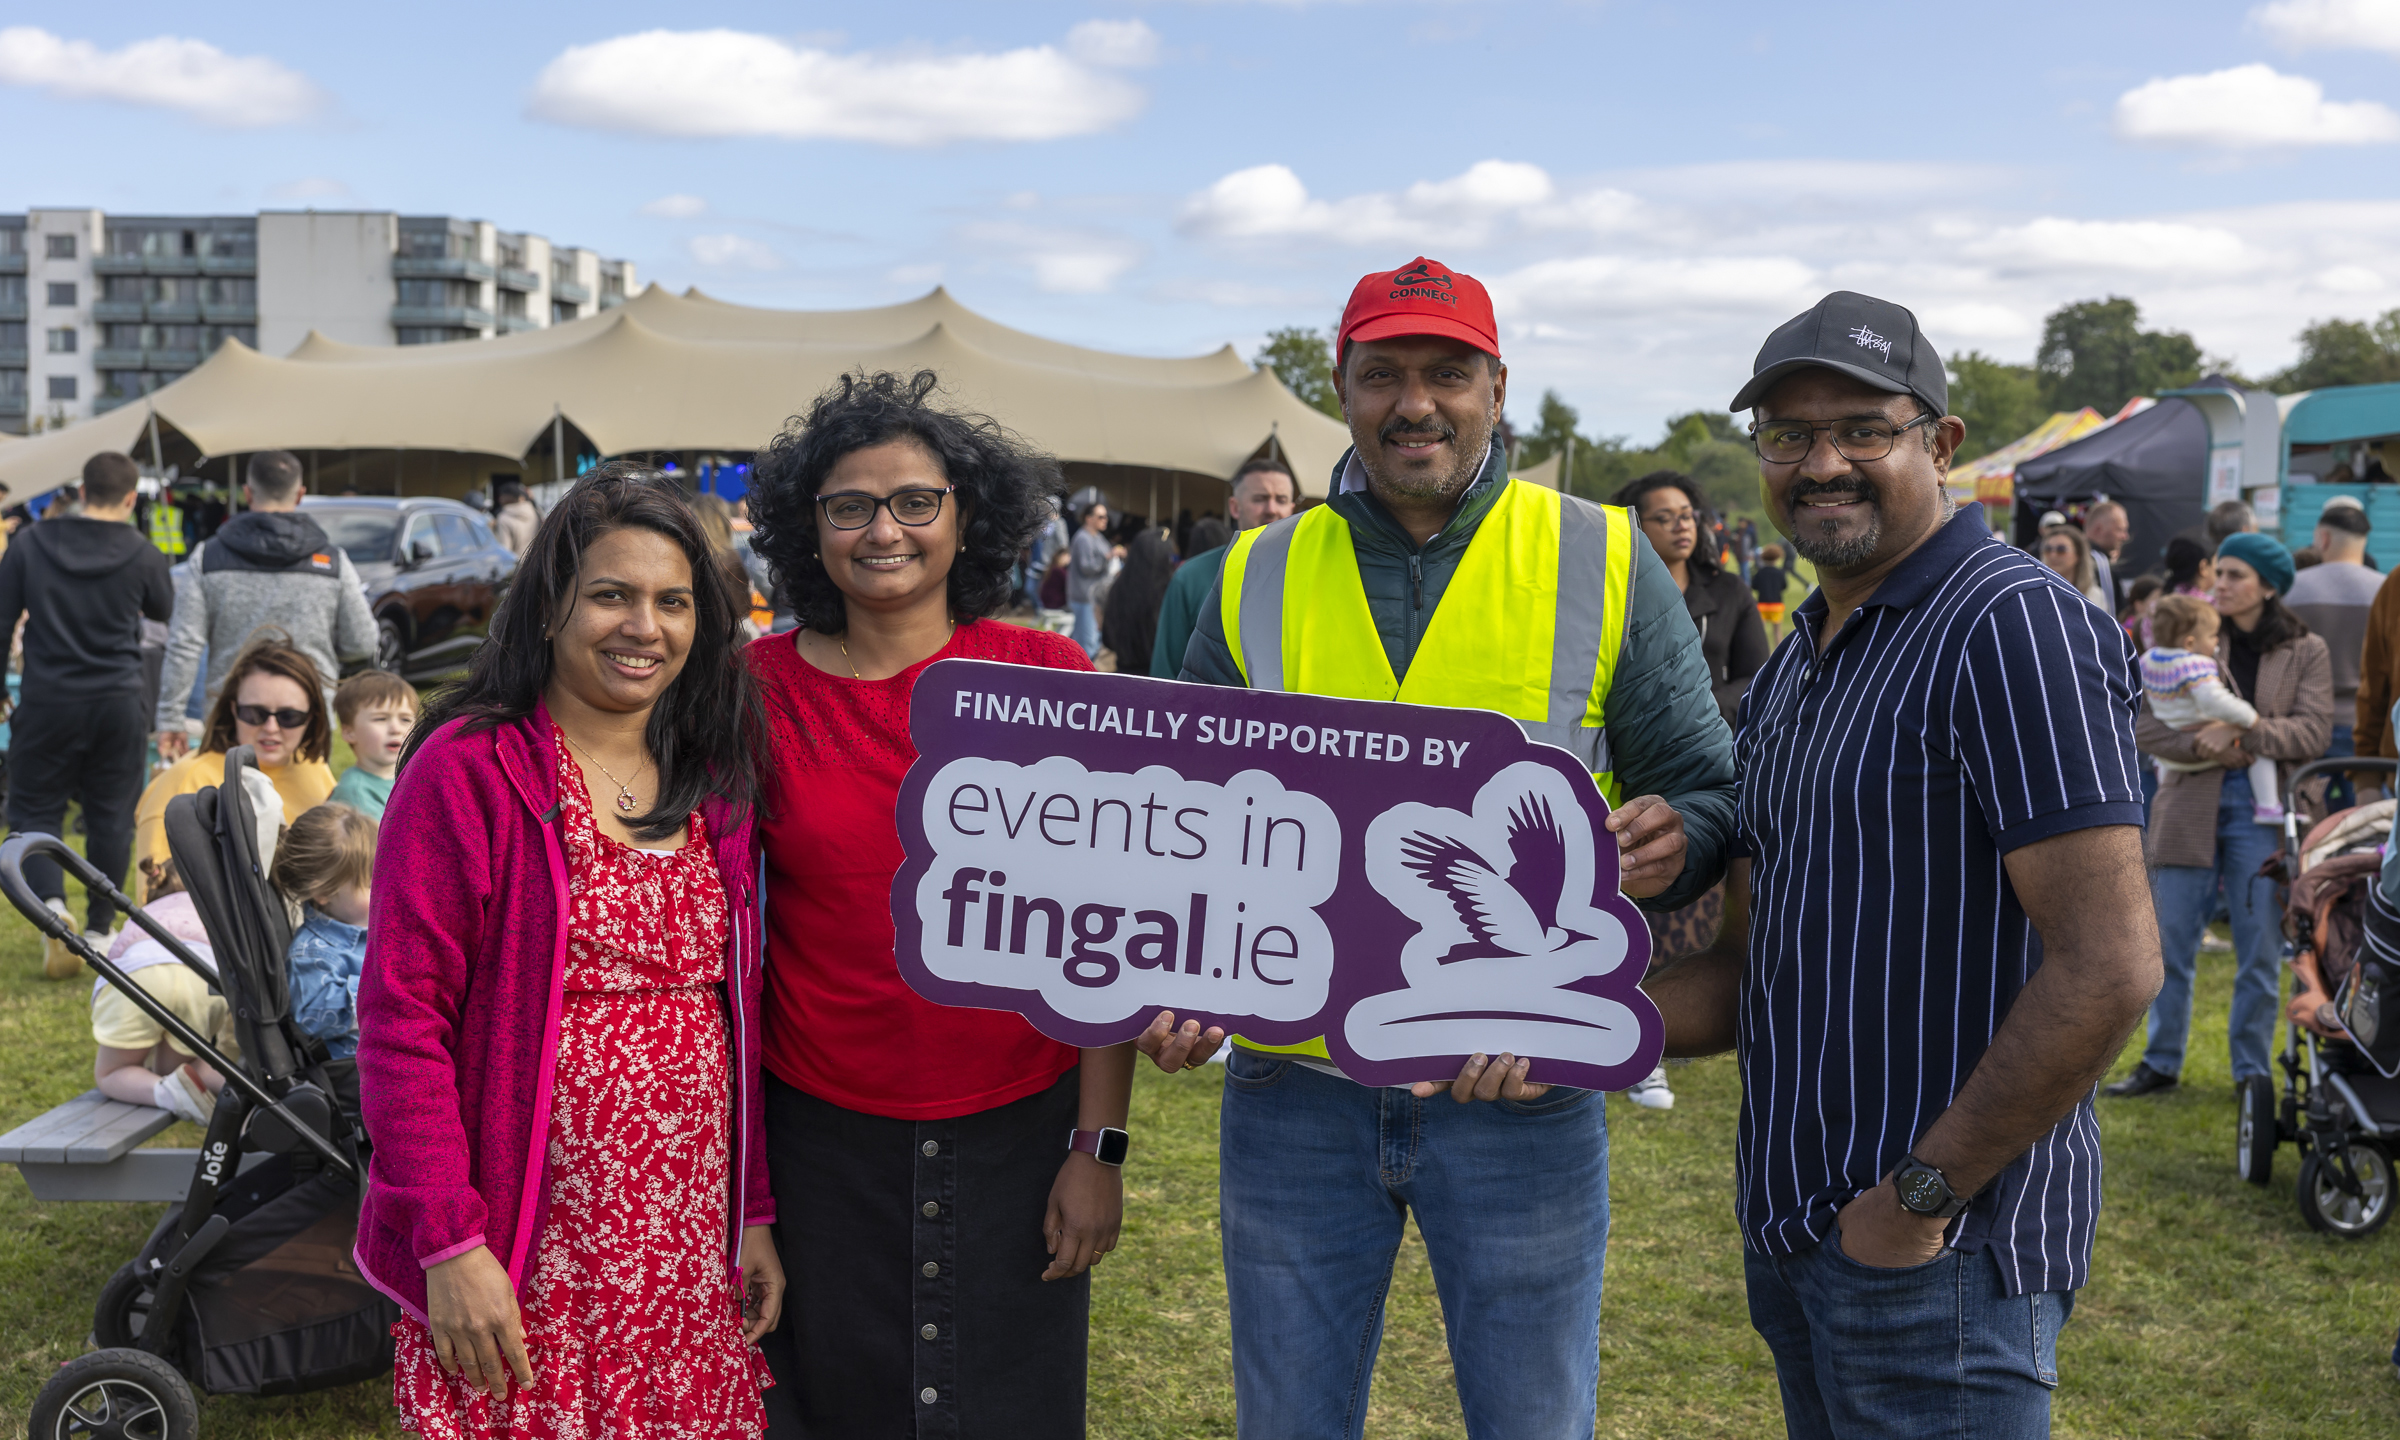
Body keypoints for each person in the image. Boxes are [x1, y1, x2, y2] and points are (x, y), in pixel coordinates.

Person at [1155, 257, 1738, 1438]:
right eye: (1383, 375)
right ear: (1342, 389)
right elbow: (1186, 829)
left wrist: (1679, 837)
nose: (1414, 402)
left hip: (1521, 1081)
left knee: (1533, 1419)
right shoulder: (1253, 575)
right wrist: (1174, 972)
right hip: (1295, 1088)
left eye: (1447, 374)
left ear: (1496, 389)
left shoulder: (1603, 555)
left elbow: (1707, 789)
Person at [1641, 290, 2162, 1438]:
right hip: (1801, 1237)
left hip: (1941, 1256)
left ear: (1942, 442)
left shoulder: (2008, 626)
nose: (1822, 463)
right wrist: (1554, 1020)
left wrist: (1920, 1197)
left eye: (1862, 430)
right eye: (1789, 434)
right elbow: (1751, 967)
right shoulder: (1797, 663)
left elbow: (2110, 965)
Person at [741, 369, 1133, 1435]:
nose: (885, 530)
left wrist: (1098, 1147)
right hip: (821, 1138)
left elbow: (1105, 934)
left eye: (916, 501)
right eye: (851, 506)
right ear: (809, 526)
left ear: (966, 516)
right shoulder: (750, 693)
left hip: (1021, 1133)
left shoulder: (1047, 679)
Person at [357, 465, 783, 1438]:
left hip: (681, 1251)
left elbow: (736, 1018)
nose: (645, 627)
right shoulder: (470, 770)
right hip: (525, 1251)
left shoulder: (712, 776)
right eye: (612, 596)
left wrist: (751, 1210)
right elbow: (402, 1021)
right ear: (550, 606)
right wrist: (448, 1242)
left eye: (673, 602)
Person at [2113, 532, 2330, 1100]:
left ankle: (2249, 1071)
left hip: (2265, 811)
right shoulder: (2193, 636)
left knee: (2259, 948)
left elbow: (2313, 731)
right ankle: (2160, 1060)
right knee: (2170, 942)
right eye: (2221, 572)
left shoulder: (2306, 649)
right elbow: (2145, 723)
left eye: (2236, 575)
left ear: (2269, 586)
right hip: (2190, 799)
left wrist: (2241, 734)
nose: (2220, 583)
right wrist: (2201, 744)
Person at [0, 451, 174, 978]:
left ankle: (52, 908)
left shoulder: (30, 543)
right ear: (130, 498)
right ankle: (100, 927)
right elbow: (162, 609)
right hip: (118, 700)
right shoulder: (143, 552)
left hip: (48, 698)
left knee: (35, 806)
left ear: (80, 490)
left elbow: (2, 620)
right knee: (111, 813)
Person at [155, 450, 375, 757]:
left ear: (247, 493)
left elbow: (184, 645)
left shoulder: (208, 558)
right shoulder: (333, 562)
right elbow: (362, 643)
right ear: (300, 494)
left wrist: (170, 716)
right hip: (306, 719)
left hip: (231, 718)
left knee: (229, 789)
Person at [134, 635, 338, 902]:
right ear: (233, 709)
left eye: (289, 716)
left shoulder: (313, 768)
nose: (271, 728)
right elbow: (159, 901)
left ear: (312, 717)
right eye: (255, 713)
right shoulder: (185, 783)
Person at [1612, 470, 1768, 726]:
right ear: (1635, 526)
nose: (1682, 525)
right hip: (1628, 737)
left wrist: (1701, 708)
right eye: (1665, 518)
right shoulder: (1614, 595)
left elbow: (1758, 677)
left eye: (1686, 516)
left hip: (1713, 737)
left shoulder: (1729, 591)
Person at [89, 858, 230, 1126]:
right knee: (177, 1068)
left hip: (141, 976)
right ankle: (241, 1088)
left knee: (113, 1071)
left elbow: (117, 956)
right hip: (202, 980)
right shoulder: (215, 911)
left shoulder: (145, 914)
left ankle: (168, 1094)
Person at [2139, 595, 2283, 824]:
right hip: (2207, 738)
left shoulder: (2147, 660)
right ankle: (2268, 806)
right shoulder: (2194, 665)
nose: (2217, 641)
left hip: (2172, 754)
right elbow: (2213, 700)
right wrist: (2249, 717)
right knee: (2261, 752)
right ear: (2189, 643)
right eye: (2212, 636)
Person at [1150, 459, 1300, 678]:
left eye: (1281, 500)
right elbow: (1165, 673)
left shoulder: (1314, 575)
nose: (1271, 509)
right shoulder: (1191, 578)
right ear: (1235, 507)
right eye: (1260, 499)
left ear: (1292, 509)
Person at [2285, 496, 2380, 809]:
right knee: (2368, 822)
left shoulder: (2292, 589)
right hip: (2368, 729)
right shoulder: (2386, 591)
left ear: (2323, 538)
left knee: (2307, 823)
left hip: (2304, 725)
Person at [274, 802, 375, 1061]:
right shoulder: (311, 952)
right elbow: (312, 1014)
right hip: (357, 1067)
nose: (384, 888)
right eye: (369, 883)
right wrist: (382, 985)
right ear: (323, 893)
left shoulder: (375, 928)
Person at [326, 670, 415, 820]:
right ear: (349, 732)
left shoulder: (412, 776)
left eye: (405, 719)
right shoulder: (356, 794)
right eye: (381, 719)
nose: (396, 729)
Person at [1100, 526, 1178, 676]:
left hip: (1124, 674)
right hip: (1161, 678)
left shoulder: (1119, 588)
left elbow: (1108, 638)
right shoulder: (1170, 591)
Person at [1065, 500, 1117, 657]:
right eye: (1101, 516)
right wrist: (1108, 557)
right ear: (1089, 518)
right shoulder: (1083, 538)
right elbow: (1087, 567)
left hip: (1093, 597)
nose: (1105, 520)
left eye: (1106, 516)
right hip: (1085, 597)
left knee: (1090, 640)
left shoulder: (1098, 537)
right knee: (1087, 643)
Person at [2037, 522, 2108, 608]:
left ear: (2078, 554)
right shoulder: (2034, 592)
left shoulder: (2094, 595)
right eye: (2048, 549)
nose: (2053, 555)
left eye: (2061, 549)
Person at [2084, 500, 2128, 608]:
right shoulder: (2099, 562)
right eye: (2120, 529)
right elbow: (2110, 611)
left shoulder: (2078, 557)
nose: (2125, 537)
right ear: (2099, 529)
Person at [1750, 542, 1792, 638]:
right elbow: (1784, 586)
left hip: (1762, 605)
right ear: (1777, 558)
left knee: (1760, 631)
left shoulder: (1760, 572)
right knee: (1777, 631)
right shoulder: (1780, 573)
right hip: (1776, 605)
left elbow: (1754, 586)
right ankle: (1779, 647)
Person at [489, 480, 540, 556]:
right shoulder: (534, 512)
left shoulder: (503, 518)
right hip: (534, 559)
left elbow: (505, 552)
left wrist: (492, 529)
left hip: (517, 562)